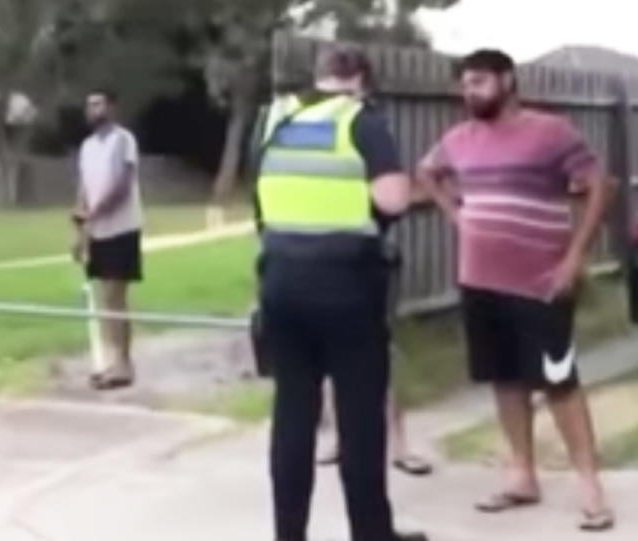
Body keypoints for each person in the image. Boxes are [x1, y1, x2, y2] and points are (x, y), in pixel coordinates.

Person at [417, 49, 615, 532]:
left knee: (559, 383)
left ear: (508, 81)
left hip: (541, 282)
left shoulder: (551, 132)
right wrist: (456, 213)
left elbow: (599, 185)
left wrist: (574, 257)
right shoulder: (459, 138)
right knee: (504, 379)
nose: (469, 92)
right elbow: (425, 172)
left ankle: (590, 485)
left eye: (479, 82)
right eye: (465, 84)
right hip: (480, 281)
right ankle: (521, 474)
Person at [256, 47, 426, 541]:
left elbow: (262, 197)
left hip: (281, 279)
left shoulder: (275, 119)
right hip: (346, 285)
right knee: (359, 420)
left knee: (292, 414)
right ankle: (372, 533)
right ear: (362, 82)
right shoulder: (362, 121)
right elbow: (391, 198)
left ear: (321, 76)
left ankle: (289, 534)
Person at [315, 243, 433, 477]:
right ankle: (341, 437)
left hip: (363, 259)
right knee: (329, 348)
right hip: (320, 258)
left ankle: (398, 445)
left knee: (377, 352)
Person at [71, 88, 143, 391]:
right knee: (105, 299)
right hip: (97, 230)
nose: (93, 109)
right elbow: (84, 188)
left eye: (99, 103)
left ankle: (124, 364)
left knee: (116, 297)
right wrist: (80, 228)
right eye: (89, 104)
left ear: (111, 107)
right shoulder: (87, 147)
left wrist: (94, 215)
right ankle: (113, 362)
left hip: (122, 228)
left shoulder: (124, 140)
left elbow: (121, 186)